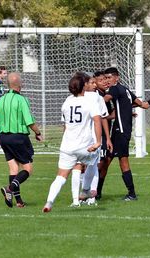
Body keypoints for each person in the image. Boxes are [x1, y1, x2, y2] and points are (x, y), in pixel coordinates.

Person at [42, 74, 102, 212]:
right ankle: (86, 190)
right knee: (94, 161)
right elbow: (97, 120)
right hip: (85, 146)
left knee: (61, 176)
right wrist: (98, 141)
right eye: (86, 83)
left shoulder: (67, 102)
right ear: (83, 87)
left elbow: (65, 125)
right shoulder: (89, 101)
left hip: (68, 145)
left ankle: (49, 202)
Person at [0, 72, 43, 208]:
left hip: (4, 138)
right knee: (28, 169)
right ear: (20, 85)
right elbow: (29, 121)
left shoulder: (0, 100)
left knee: (13, 168)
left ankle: (18, 201)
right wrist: (38, 133)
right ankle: (9, 189)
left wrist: (1, 135)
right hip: (19, 138)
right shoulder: (22, 100)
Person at [103, 67, 146, 201]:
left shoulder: (114, 89)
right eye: (105, 78)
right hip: (119, 130)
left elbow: (104, 99)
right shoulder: (125, 89)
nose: (107, 81)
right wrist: (127, 110)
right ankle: (96, 192)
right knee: (106, 161)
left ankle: (132, 193)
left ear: (117, 78)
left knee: (123, 161)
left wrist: (86, 99)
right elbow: (141, 104)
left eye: (109, 78)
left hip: (121, 131)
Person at [77, 72, 112, 206]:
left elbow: (102, 118)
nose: (95, 84)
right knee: (81, 167)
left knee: (93, 165)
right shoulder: (78, 98)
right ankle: (80, 197)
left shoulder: (97, 98)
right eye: (92, 82)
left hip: (94, 138)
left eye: (94, 82)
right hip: (82, 137)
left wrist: (107, 138)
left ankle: (91, 196)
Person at [91, 71, 115, 200]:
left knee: (105, 162)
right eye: (101, 80)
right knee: (98, 164)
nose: (105, 81)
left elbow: (107, 115)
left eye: (106, 78)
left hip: (107, 134)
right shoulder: (95, 97)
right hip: (98, 135)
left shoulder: (104, 95)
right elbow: (101, 118)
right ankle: (91, 192)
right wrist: (117, 114)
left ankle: (97, 191)